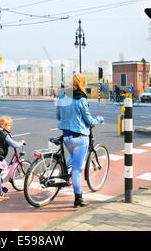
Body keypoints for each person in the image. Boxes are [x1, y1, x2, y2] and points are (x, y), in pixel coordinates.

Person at [57, 73, 104, 208]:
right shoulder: (81, 99)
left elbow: (58, 115)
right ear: (83, 84)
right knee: (77, 169)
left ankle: (63, 175)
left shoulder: (63, 96)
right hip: (80, 138)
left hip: (66, 137)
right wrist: (99, 120)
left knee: (72, 156)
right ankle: (78, 198)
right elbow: (89, 120)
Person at [0, 116, 25, 202]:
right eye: (9, 125)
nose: (10, 127)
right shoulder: (5, 135)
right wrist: (21, 143)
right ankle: (0, 195)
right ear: (3, 126)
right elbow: (14, 144)